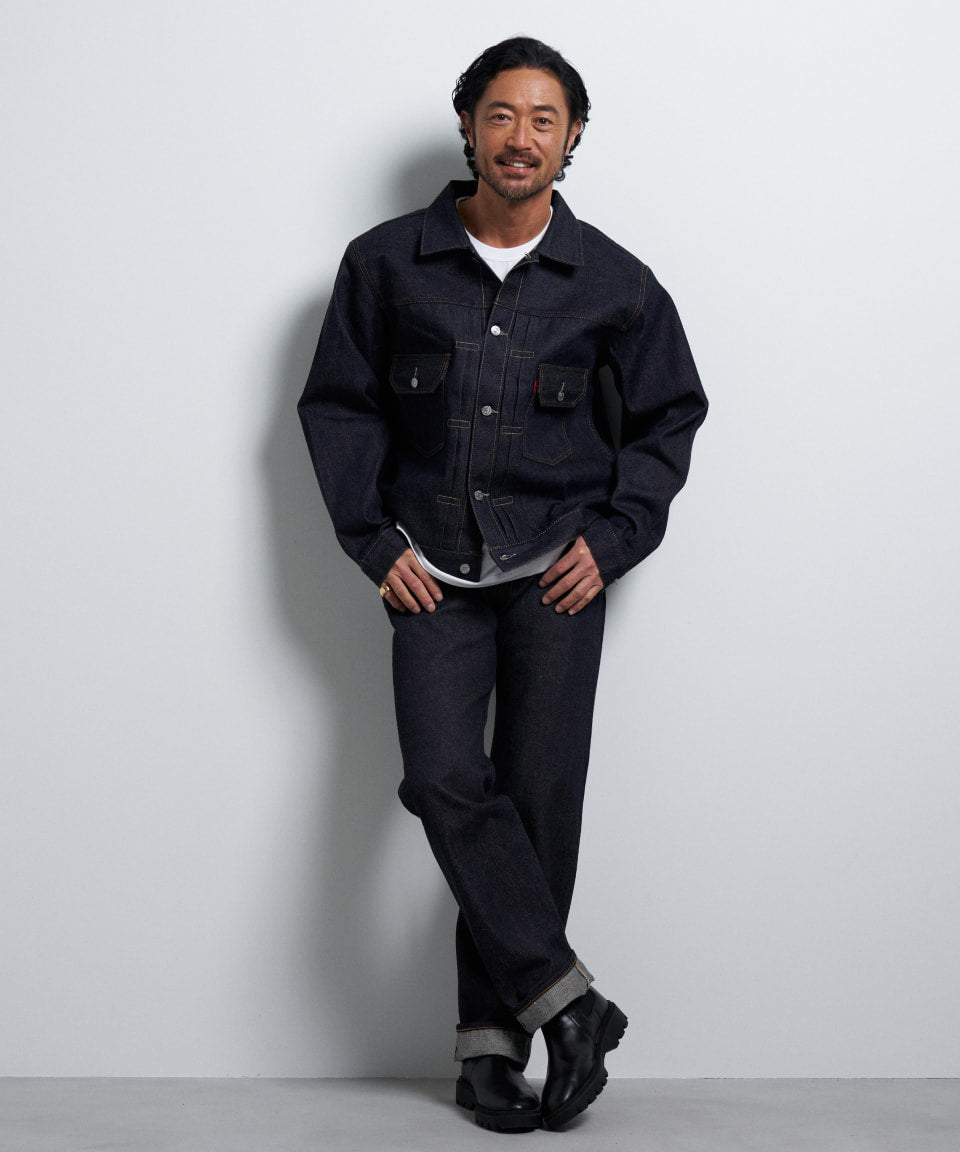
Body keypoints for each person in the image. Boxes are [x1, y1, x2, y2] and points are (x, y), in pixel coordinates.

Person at [298, 36, 707, 1132]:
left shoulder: (617, 283)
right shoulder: (385, 264)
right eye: (500, 115)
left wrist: (614, 539)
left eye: (543, 119)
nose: (520, 137)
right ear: (468, 127)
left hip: (556, 577)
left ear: (571, 140)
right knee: (443, 779)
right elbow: (338, 407)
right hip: (431, 571)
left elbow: (670, 416)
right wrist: (371, 540)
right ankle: (572, 1006)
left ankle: (491, 1049)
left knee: (537, 803)